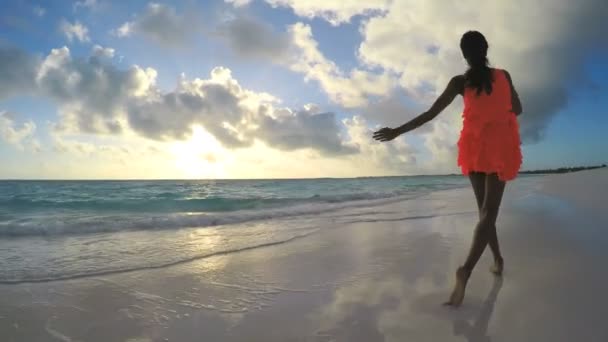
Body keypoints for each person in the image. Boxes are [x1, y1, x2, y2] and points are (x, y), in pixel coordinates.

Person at [372, 30, 523, 307]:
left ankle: (498, 260)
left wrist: (397, 132)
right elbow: (518, 108)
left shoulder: (459, 82)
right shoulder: (504, 75)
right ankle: (465, 270)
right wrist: (500, 112)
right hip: (500, 144)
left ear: (463, 55)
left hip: (474, 145)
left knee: (484, 214)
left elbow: (431, 113)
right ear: (486, 49)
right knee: (489, 214)